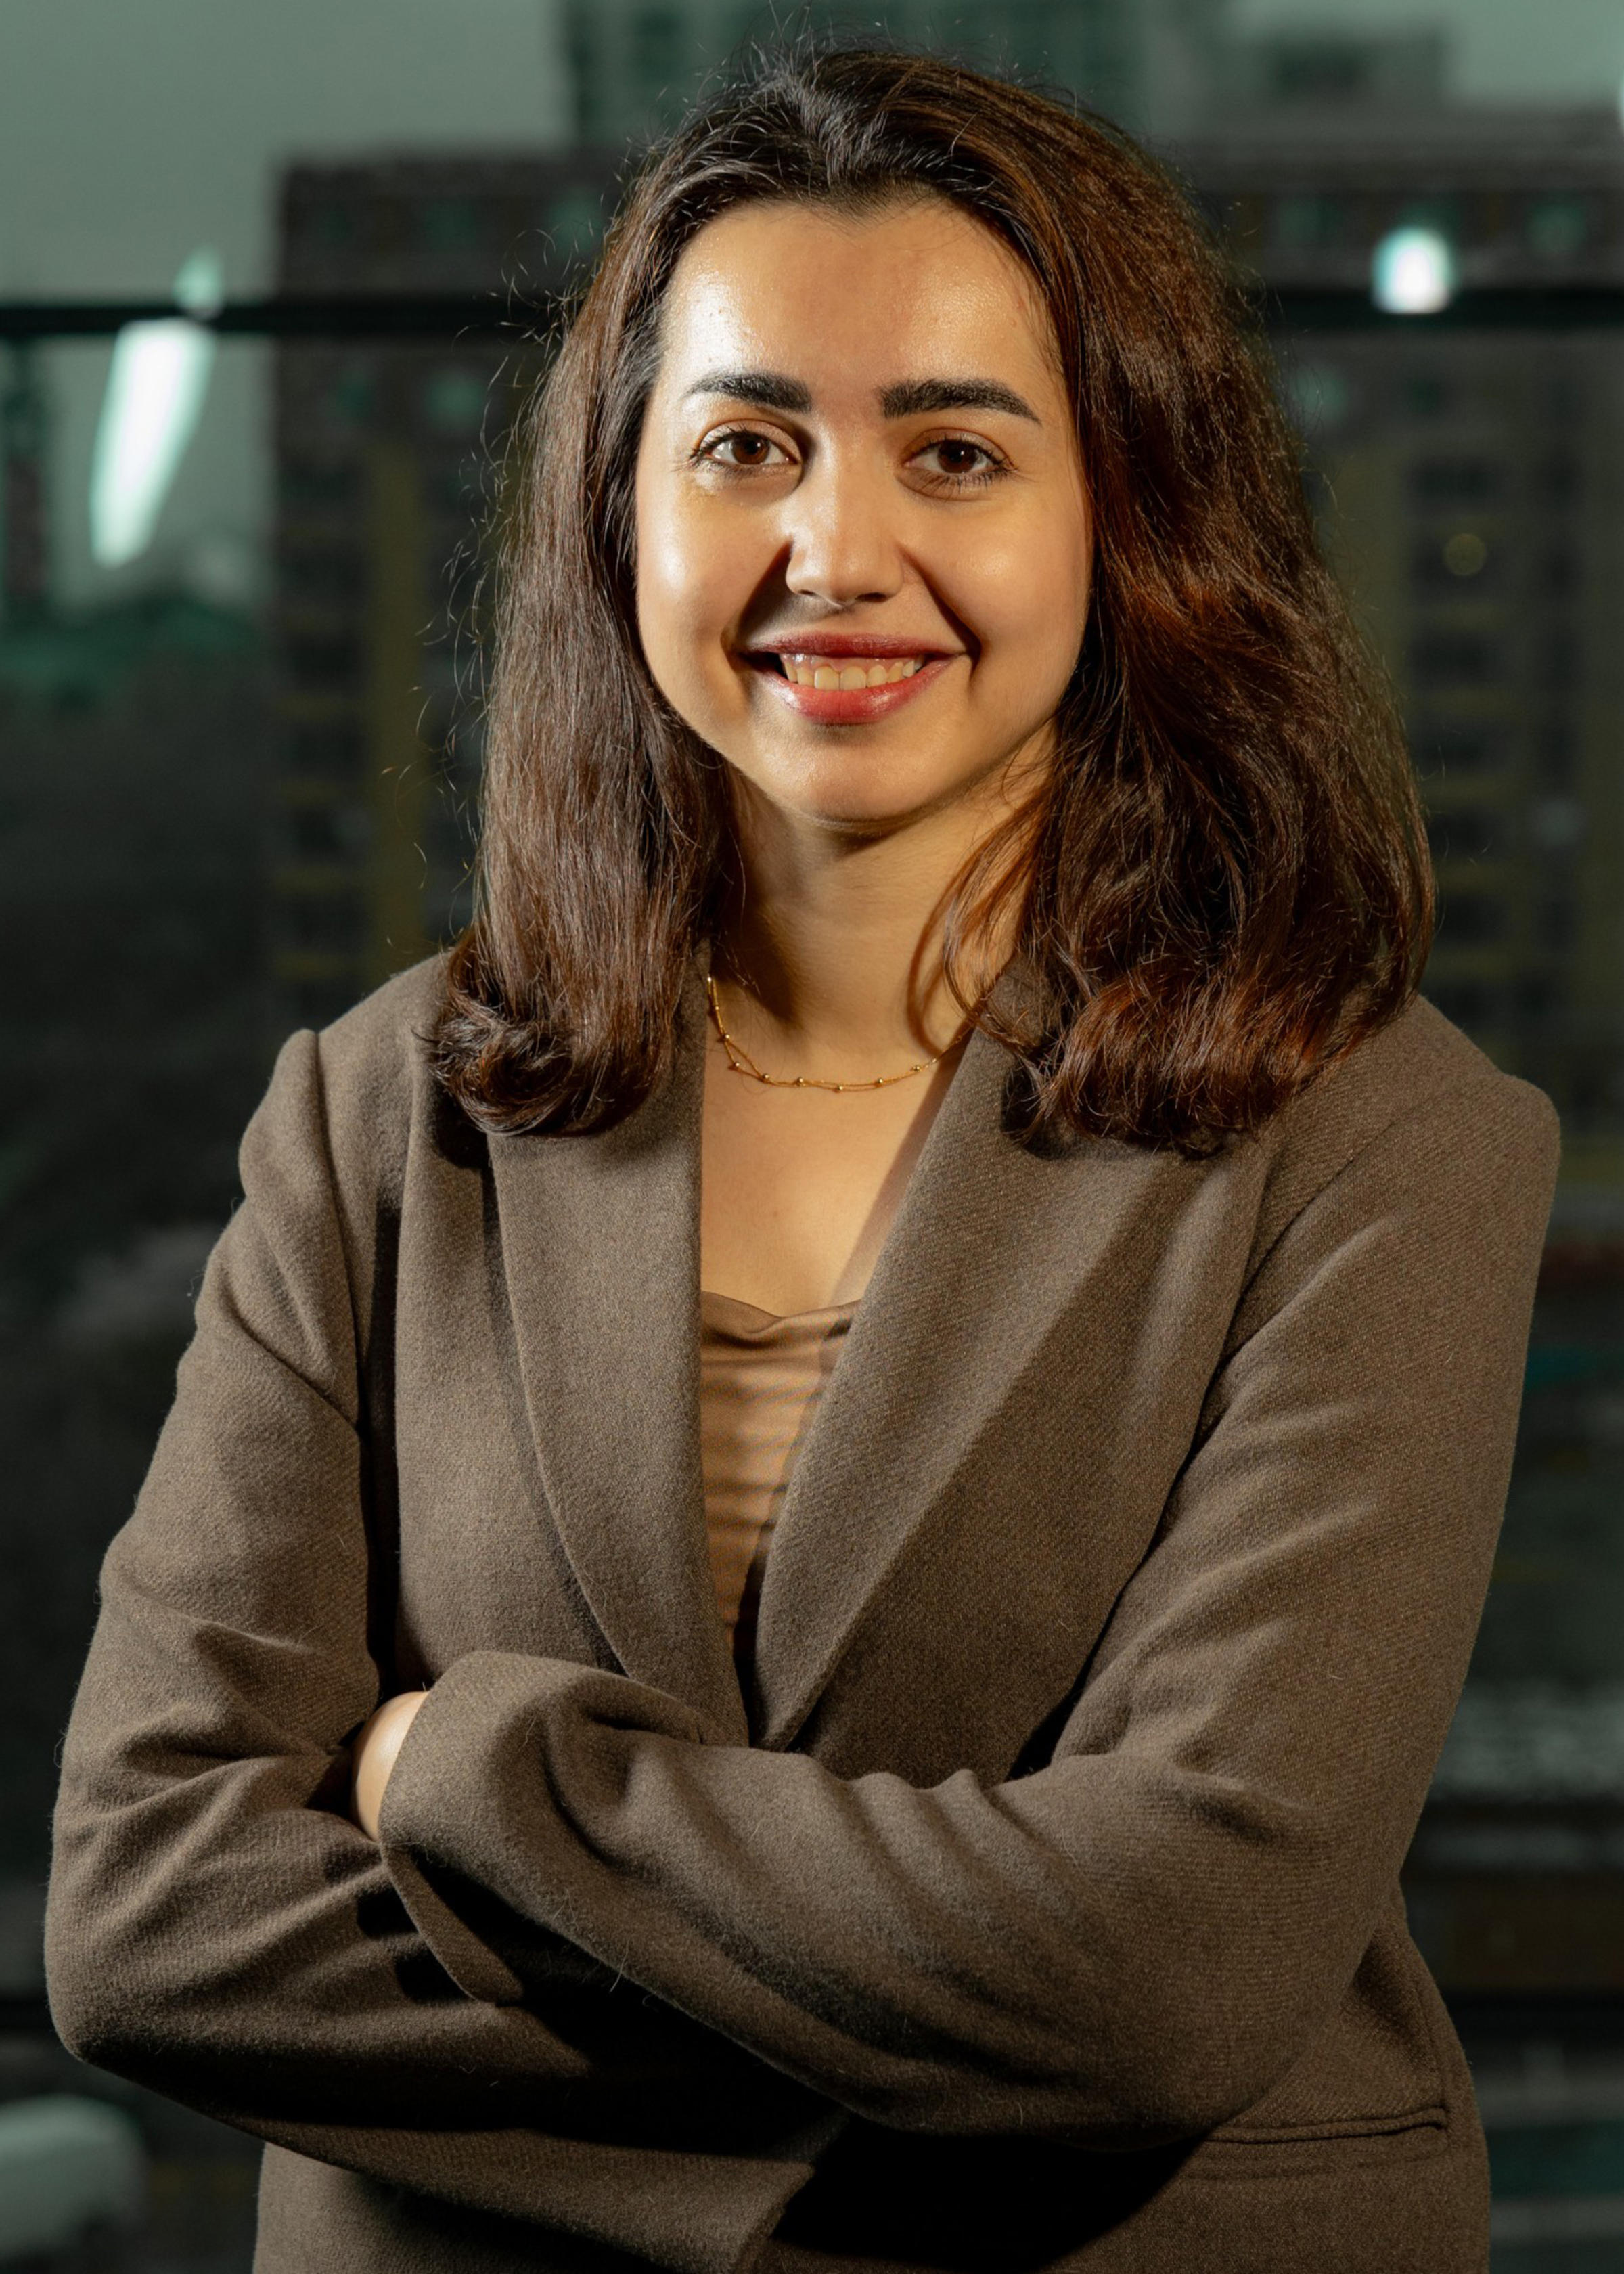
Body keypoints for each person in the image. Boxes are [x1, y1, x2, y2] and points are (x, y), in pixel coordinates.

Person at [46, 44, 1557, 2274]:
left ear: (1123, 517)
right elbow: (146, 1914)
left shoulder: (1382, 1140)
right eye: (747, 444)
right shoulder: (381, 1114)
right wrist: (949, 2074)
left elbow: (1168, 1966)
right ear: (620, 516)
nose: (836, 549)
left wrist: (463, 1773)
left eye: (955, 448)